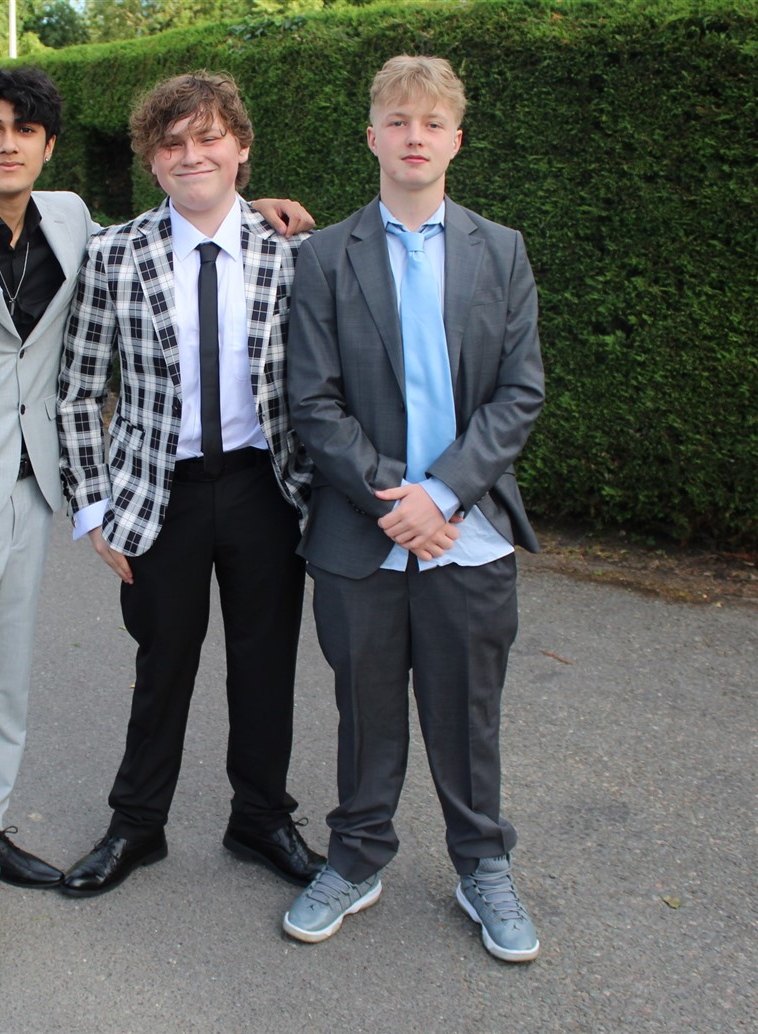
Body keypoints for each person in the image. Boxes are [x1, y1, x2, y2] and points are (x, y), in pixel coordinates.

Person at [0, 65, 311, 974]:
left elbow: (191, 220)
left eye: (23, 130)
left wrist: (259, 209)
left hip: (77, 492)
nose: (7, 143)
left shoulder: (71, 221)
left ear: (49, 145)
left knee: (11, 679)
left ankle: (7, 827)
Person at [282, 55, 545, 963]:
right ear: (372, 137)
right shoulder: (323, 256)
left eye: (431, 123)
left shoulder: (500, 250)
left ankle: (483, 866)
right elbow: (311, 400)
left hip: (467, 531)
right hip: (362, 532)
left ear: (455, 141)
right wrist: (392, 496)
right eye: (397, 121)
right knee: (364, 712)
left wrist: (440, 494)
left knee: (466, 715)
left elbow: (518, 393)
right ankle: (354, 859)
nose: (414, 137)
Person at [57, 71, 325, 898]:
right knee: (162, 663)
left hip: (264, 490)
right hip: (156, 496)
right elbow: (77, 391)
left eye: (208, 137)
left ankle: (261, 819)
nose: (190, 155)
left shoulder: (292, 251)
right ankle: (137, 825)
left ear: (240, 148)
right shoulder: (112, 254)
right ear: (151, 160)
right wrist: (93, 508)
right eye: (170, 143)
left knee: (264, 665)